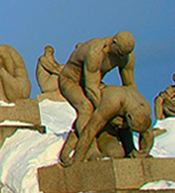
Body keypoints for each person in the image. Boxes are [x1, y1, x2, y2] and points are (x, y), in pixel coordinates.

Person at [57, 31, 136, 163]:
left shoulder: (127, 56)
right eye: (119, 52)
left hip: (94, 82)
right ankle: (90, 150)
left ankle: (131, 150)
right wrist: (108, 111)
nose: (121, 56)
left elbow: (130, 87)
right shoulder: (96, 52)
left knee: (121, 107)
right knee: (86, 108)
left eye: (123, 54)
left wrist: (132, 108)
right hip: (71, 81)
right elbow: (91, 89)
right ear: (113, 43)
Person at [61, 84, 153, 166]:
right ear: (128, 117)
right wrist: (78, 159)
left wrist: (144, 151)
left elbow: (147, 133)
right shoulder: (112, 103)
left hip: (113, 124)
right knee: (115, 153)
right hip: (97, 123)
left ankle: (130, 150)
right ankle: (82, 143)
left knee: (118, 153)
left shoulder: (145, 109)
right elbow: (90, 131)